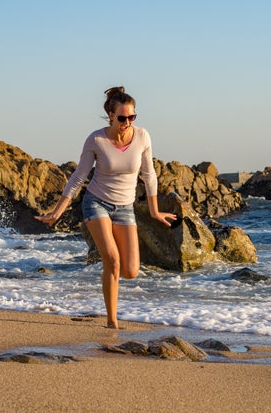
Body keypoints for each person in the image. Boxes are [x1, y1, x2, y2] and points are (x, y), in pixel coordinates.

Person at [35, 86, 177, 329]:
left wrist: (154, 211)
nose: (127, 122)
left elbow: (149, 174)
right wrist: (57, 212)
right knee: (112, 260)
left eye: (132, 117)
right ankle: (112, 322)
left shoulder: (142, 137)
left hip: (125, 208)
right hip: (96, 203)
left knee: (131, 270)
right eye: (122, 118)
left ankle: (109, 289)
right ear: (111, 115)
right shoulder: (96, 140)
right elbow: (78, 177)